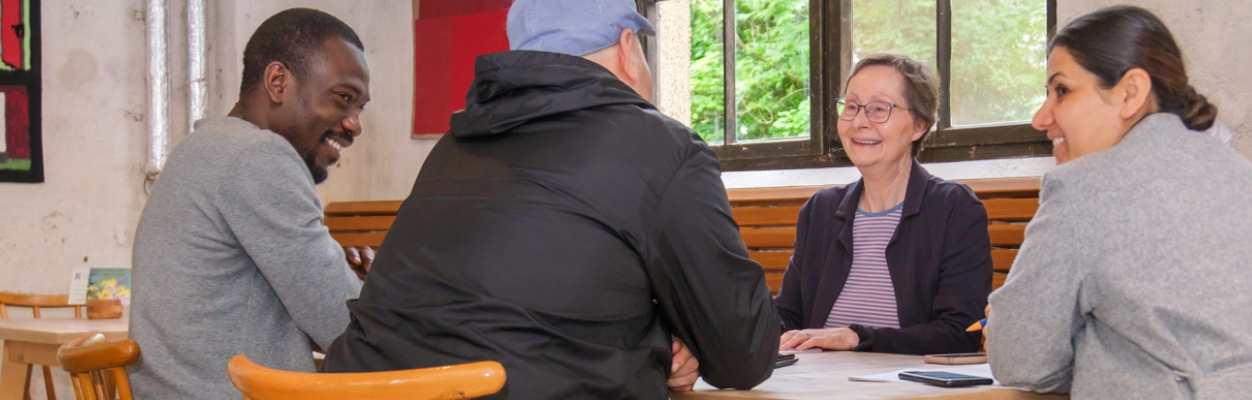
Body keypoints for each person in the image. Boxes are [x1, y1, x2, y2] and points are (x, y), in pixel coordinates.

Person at [320, 0, 779, 398]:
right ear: (627, 48)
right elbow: (743, 357)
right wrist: (661, 341)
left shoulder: (454, 144)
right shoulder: (664, 148)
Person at [985, 6, 1252, 400]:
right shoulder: (1241, 173)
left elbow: (1021, 361)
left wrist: (1092, 350)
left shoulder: (1080, 187)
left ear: (1130, 93)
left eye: (1062, 90)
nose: (1041, 117)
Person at [128, 8, 374, 399]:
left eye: (359, 108)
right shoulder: (258, 156)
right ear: (278, 82)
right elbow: (351, 332)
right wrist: (383, 293)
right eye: (343, 98)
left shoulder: (201, 148)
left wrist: (346, 279)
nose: (354, 124)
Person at [773, 53, 991, 355]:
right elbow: (786, 317)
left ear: (919, 126)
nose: (859, 121)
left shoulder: (954, 209)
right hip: (815, 382)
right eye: (851, 106)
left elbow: (960, 333)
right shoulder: (820, 210)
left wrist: (857, 338)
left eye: (879, 109)